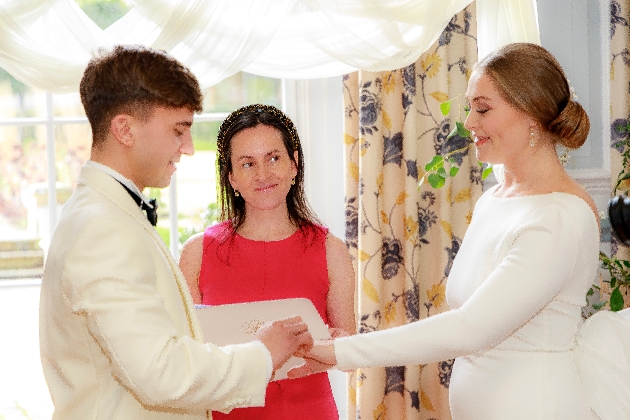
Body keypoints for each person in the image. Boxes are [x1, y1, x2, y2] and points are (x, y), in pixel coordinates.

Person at [288, 43, 630, 419]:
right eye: (470, 107)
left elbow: (470, 329)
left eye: (482, 109)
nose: (468, 122)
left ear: (532, 114)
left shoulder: (560, 218)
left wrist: (344, 351)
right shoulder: (495, 199)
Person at [39, 45, 314, 420]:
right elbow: (160, 373)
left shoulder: (106, 214)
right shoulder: (102, 228)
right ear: (125, 129)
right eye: (178, 131)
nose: (187, 149)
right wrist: (263, 352)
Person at [179, 104, 356, 419]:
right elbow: (187, 357)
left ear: (294, 164)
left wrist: (334, 346)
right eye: (247, 164)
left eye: (273, 158)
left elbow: (348, 353)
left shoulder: (331, 250)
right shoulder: (197, 253)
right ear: (231, 177)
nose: (263, 174)